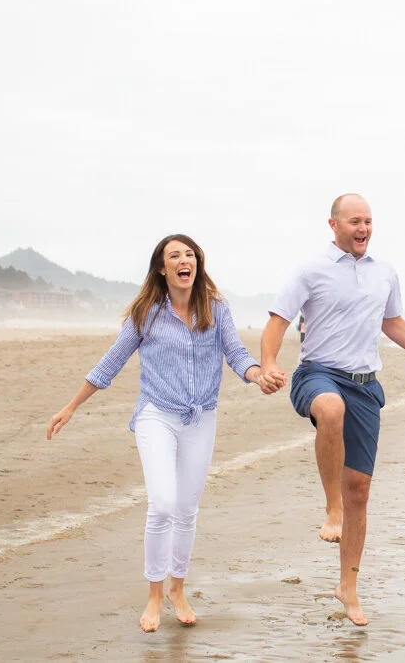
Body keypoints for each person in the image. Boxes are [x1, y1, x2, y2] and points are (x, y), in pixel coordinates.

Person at [46, 234, 278, 633]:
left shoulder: (216, 308)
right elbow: (111, 362)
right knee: (163, 505)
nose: (184, 261)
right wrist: (70, 407)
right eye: (175, 256)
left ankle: (177, 589)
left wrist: (257, 375)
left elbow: (236, 354)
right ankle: (154, 595)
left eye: (190, 255)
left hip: (200, 417)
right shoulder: (145, 314)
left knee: (187, 510)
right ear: (161, 268)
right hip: (156, 415)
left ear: (197, 264)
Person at [259, 193, 405, 626]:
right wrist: (269, 363)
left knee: (362, 492)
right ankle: (330, 506)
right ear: (333, 225)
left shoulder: (384, 273)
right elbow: (278, 321)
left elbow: (392, 323)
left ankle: (348, 586)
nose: (363, 228)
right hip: (318, 374)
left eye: (369, 221)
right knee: (330, 411)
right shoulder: (310, 269)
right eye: (355, 221)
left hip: (366, 386)